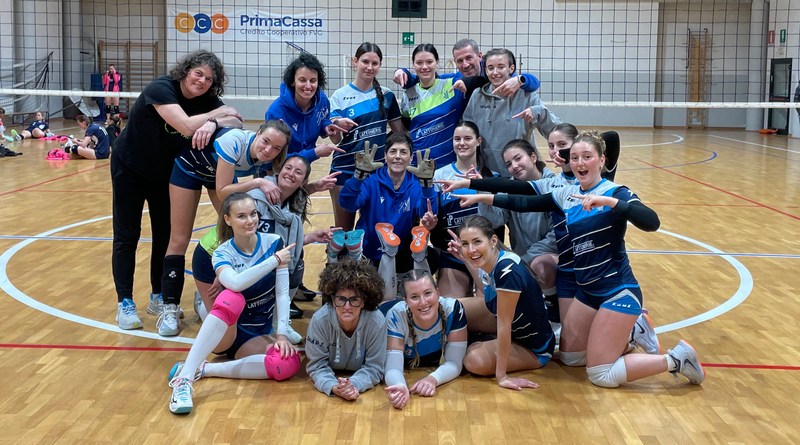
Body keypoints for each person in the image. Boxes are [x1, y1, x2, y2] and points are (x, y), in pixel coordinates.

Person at [459, 132, 705, 388]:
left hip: (617, 290)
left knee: (600, 375)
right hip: (587, 292)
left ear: (602, 160)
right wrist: (480, 193)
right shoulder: (568, 193)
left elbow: (652, 222)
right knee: (571, 358)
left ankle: (676, 359)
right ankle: (629, 333)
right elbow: (521, 200)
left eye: (587, 157)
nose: (579, 163)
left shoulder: (615, 191)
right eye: (575, 157)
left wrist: (611, 203)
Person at [111, 49, 241, 330]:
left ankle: (158, 295)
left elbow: (237, 120)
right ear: (185, 71)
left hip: (164, 173)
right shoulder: (161, 88)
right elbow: (185, 126)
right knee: (127, 235)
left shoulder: (206, 99)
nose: (202, 81)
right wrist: (217, 114)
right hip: (129, 167)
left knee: (165, 235)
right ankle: (125, 302)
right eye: (198, 74)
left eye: (209, 79)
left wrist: (214, 122)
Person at [167, 192, 300, 414]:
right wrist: (274, 260)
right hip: (227, 332)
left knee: (287, 362)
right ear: (227, 219)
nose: (250, 221)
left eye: (253, 214)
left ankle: (205, 369)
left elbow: (282, 294)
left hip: (256, 333)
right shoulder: (222, 252)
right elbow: (235, 283)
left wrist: (282, 334)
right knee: (231, 297)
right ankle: (184, 380)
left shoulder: (274, 242)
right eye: (241, 216)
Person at [157, 121, 292, 337]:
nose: (268, 150)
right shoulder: (235, 142)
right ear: (257, 133)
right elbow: (222, 192)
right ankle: (170, 307)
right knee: (179, 239)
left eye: (276, 148)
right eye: (265, 141)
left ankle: (213, 286)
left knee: (237, 228)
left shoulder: (270, 160)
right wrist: (257, 183)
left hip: (220, 175)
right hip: (190, 169)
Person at [190, 155, 340, 343]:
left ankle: (278, 322)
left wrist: (310, 237)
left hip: (249, 254)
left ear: (303, 181)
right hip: (214, 254)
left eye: (298, 172)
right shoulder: (258, 198)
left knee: (294, 263)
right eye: (288, 168)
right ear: (279, 170)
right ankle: (202, 304)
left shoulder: (295, 202)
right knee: (225, 331)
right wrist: (221, 274)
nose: (291, 174)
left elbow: (278, 244)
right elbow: (233, 238)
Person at [265, 52, 347, 301]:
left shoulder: (322, 101)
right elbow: (276, 155)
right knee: (279, 231)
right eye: (302, 80)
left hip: (302, 173)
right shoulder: (277, 111)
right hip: (279, 174)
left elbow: (321, 122)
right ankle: (275, 290)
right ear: (293, 81)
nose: (308, 86)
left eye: (313, 80)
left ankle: (294, 282)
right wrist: (314, 153)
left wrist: (327, 127)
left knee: (296, 226)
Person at [453, 215, 555, 390]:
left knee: (473, 361)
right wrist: (466, 260)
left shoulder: (507, 270)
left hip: (534, 348)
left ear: (493, 240)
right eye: (465, 244)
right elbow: (487, 294)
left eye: (477, 242)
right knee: (453, 308)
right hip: (513, 329)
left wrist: (502, 376)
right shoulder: (491, 262)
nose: (471, 249)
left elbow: (504, 325)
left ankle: (477, 344)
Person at [338, 132, 438, 306]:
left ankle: (402, 286)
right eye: (393, 151)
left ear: (411, 158)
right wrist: (358, 176)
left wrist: (427, 185)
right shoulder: (371, 181)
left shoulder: (415, 184)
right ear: (385, 156)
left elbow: (427, 212)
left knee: (433, 257)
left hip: (400, 255)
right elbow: (347, 203)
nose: (398, 156)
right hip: (370, 254)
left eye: (403, 152)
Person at [328, 42, 405, 232]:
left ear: (380, 65)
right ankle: (337, 253)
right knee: (344, 231)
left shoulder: (387, 96)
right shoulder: (339, 96)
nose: (370, 67)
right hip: (345, 170)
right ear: (355, 62)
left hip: (376, 171)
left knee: (375, 228)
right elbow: (335, 140)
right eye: (365, 62)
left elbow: (399, 134)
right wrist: (337, 126)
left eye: (374, 63)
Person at [463, 48, 562, 177]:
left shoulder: (526, 95)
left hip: (522, 173)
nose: (495, 72)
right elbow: (467, 131)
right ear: (486, 70)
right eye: (491, 68)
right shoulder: (477, 95)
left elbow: (556, 128)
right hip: (488, 173)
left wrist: (537, 112)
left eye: (501, 67)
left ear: (511, 68)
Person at [384, 269, 468, 409]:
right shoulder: (396, 316)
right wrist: (400, 386)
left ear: (438, 292)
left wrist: (433, 379)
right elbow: (392, 368)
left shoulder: (453, 309)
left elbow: (454, 363)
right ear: (405, 301)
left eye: (428, 293)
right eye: (414, 297)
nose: (423, 302)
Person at [305, 259, 387, 401]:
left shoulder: (376, 322)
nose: (347, 307)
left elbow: (375, 367)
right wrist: (333, 387)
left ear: (364, 302)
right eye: (341, 299)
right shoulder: (319, 321)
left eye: (354, 299)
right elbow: (316, 366)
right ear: (332, 300)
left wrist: (353, 385)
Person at [431, 120, 493, 297]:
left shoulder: (491, 177)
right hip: (453, 253)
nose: (462, 143)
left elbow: (498, 219)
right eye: (457, 139)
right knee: (451, 307)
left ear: (478, 141)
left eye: (467, 138)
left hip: (485, 254)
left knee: (487, 306)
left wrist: (482, 188)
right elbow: (434, 218)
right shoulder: (439, 175)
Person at [394, 38, 540, 102]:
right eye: (459, 61)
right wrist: (404, 74)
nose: (465, 64)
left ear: (480, 56)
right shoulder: (456, 79)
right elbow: (429, 78)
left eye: (469, 58)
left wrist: (520, 80)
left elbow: (534, 83)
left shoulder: (496, 75)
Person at [400, 43, 467, 167]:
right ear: (413, 64)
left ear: (437, 62)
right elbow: (406, 128)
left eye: (429, 62)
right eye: (419, 63)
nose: (424, 67)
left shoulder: (453, 84)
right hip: (418, 164)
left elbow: (475, 74)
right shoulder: (408, 94)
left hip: (449, 163)